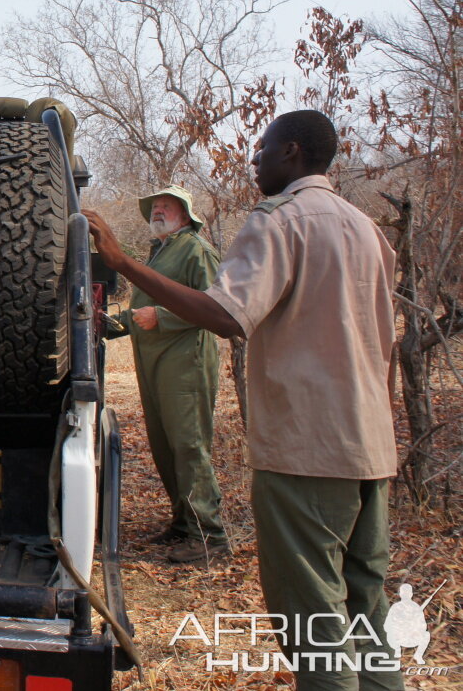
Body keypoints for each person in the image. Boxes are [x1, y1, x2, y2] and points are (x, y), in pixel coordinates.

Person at [86, 110, 401, 691]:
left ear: (293, 152)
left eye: (263, 149)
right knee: (368, 614)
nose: (254, 160)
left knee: (315, 625)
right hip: (371, 449)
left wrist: (122, 262)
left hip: (307, 453)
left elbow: (226, 314)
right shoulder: (367, 229)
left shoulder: (279, 222)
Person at [113, 185, 226, 564]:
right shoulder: (160, 251)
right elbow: (143, 309)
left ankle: (208, 536)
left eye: (167, 206)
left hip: (185, 362)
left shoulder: (196, 250)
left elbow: (215, 307)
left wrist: (161, 318)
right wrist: (113, 323)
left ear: (185, 214)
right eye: (155, 207)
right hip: (154, 360)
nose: (158, 211)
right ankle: (183, 524)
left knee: (189, 444)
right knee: (164, 444)